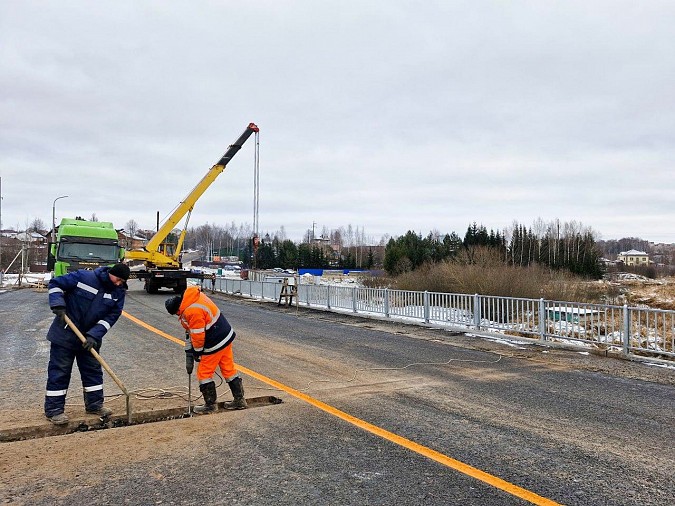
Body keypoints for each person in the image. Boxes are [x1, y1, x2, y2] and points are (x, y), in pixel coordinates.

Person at [44, 263, 130, 425]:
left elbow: (112, 316)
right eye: (118, 279)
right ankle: (54, 410)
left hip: (90, 339)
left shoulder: (118, 292)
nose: (119, 283)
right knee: (59, 372)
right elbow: (55, 284)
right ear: (111, 273)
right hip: (65, 333)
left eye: (122, 282)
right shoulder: (84, 277)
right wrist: (58, 304)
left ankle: (94, 405)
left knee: (92, 372)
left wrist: (94, 335)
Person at [165, 285, 247, 413]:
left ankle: (210, 405)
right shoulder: (194, 297)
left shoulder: (191, 311)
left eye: (176, 313)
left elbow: (198, 335)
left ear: (177, 309)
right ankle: (240, 400)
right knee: (228, 369)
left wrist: (197, 352)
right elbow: (192, 332)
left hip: (215, 340)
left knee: (204, 373)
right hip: (225, 335)